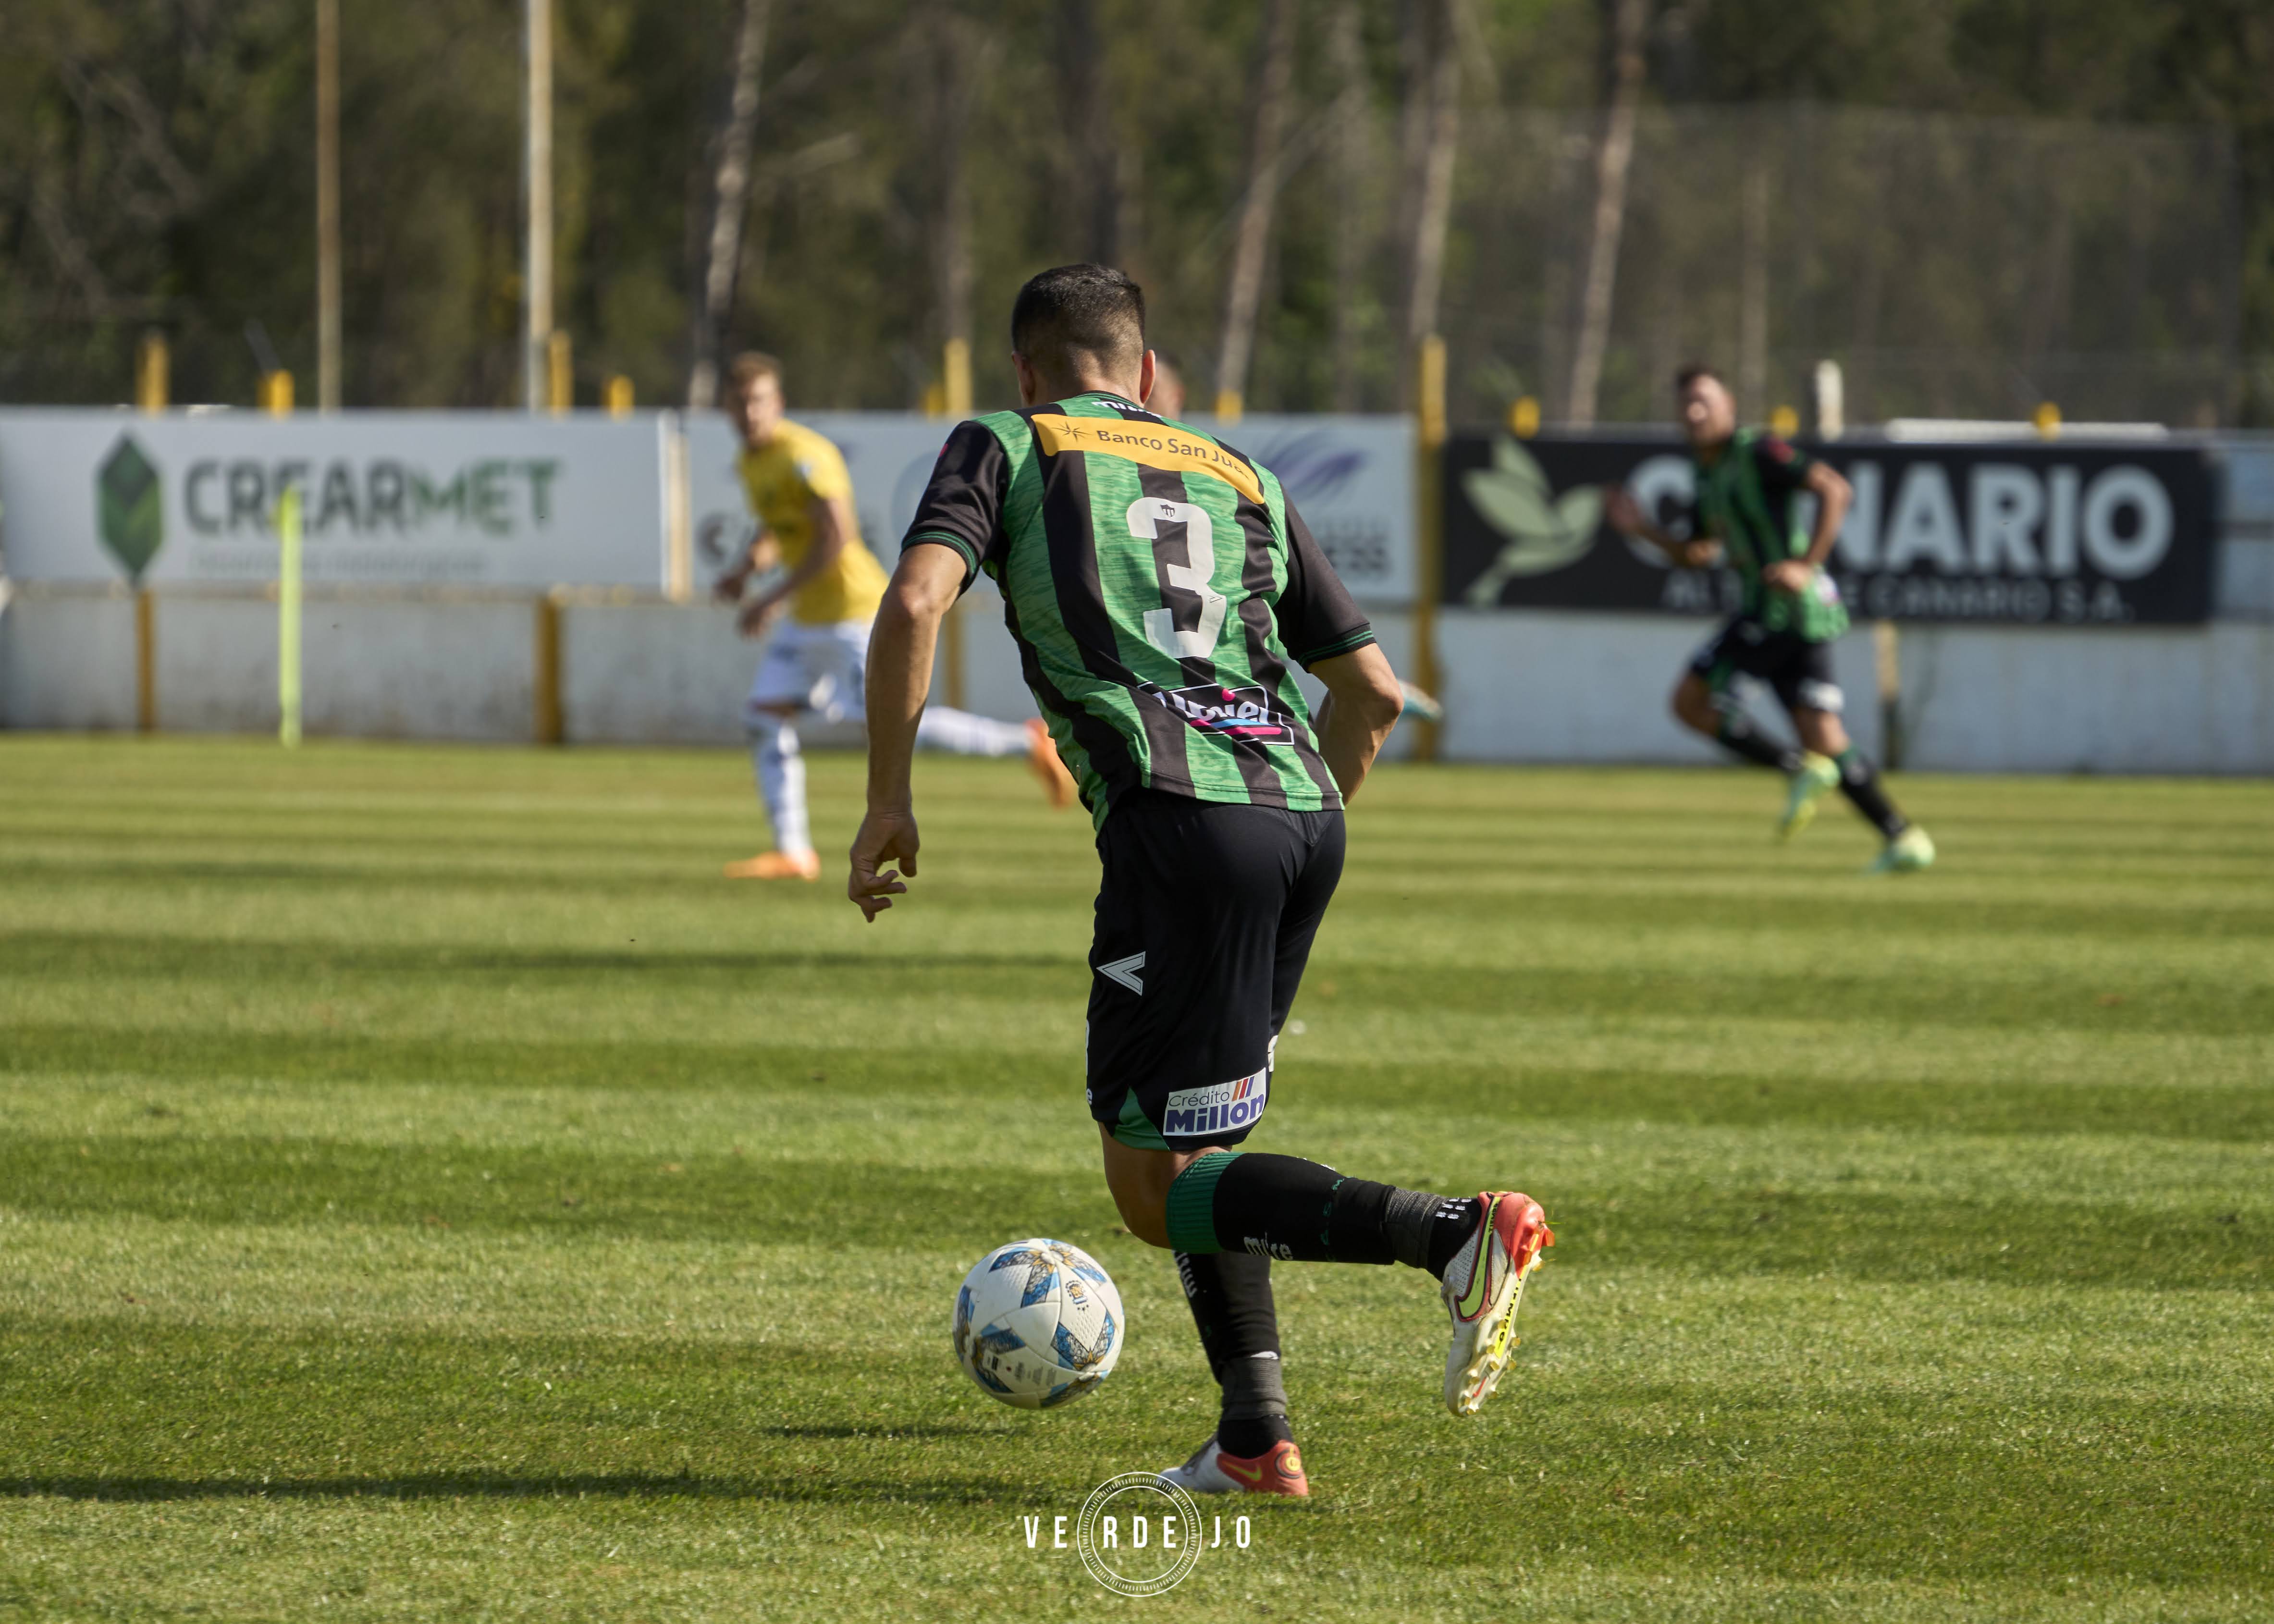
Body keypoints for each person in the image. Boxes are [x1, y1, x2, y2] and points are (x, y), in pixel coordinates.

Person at [847, 265, 1553, 1497]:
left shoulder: (1005, 443)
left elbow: (914, 600)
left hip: (1182, 828)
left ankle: (1453, 1232)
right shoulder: (1241, 473)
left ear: (1025, 371)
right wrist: (1292, 822)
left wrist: (889, 796)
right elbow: (1374, 691)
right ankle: (1254, 1440)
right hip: (1300, 810)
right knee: (1205, 1149)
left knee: (1148, 1188)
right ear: (1150, 374)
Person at [713, 353, 1075, 881]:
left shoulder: (803, 452)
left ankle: (1027, 742)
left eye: (759, 401)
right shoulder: (752, 460)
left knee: (895, 722)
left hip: (850, 613)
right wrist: (746, 570)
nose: (750, 413)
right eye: (741, 403)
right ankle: (793, 851)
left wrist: (770, 598)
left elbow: (836, 536)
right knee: (764, 716)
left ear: (778, 404)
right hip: (807, 618)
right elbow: (782, 529)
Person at [1606, 364, 1933, 873]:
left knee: (1689, 702)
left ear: (1728, 405)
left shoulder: (1757, 452)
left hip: (1780, 609)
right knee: (1824, 737)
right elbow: (1697, 552)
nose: (1694, 412)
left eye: (1704, 401)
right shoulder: (1705, 470)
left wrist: (1805, 566)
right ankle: (1903, 836)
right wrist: (1642, 531)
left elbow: (1834, 489)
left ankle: (1795, 769)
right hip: (1794, 616)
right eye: (1686, 404)